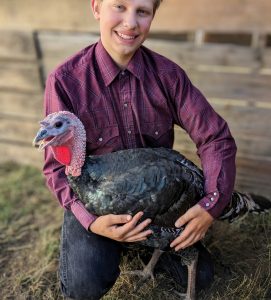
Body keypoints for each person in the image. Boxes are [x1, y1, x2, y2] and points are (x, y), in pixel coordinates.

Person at [43, 0, 237, 299]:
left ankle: (145, 249)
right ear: (96, 7)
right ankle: (117, 246)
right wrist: (92, 223)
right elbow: (56, 167)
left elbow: (215, 138)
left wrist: (211, 204)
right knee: (83, 287)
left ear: (153, 16)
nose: (130, 22)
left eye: (142, 11)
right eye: (119, 6)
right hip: (96, 202)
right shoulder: (66, 81)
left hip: (157, 202)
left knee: (203, 278)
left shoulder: (168, 76)